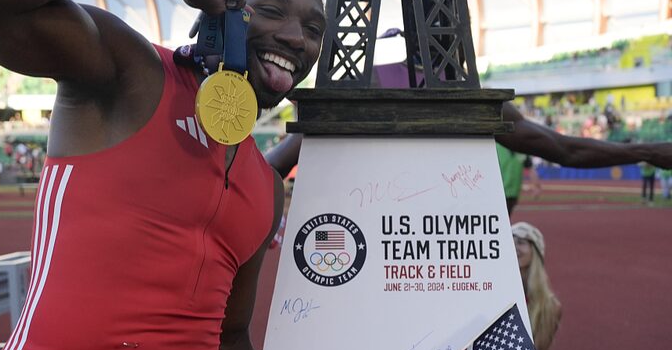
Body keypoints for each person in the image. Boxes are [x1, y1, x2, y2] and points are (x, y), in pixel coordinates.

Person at [0, 0, 325, 350]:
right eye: (273, 10)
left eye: (314, 28)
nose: (297, 37)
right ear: (224, 5)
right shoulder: (134, 74)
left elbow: (231, 339)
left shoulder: (267, 188)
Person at [265, 60, 672, 214]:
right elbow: (563, 149)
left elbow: (277, 162)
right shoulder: (466, 93)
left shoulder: (374, 77)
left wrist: (647, 150)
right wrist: (646, 150)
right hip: (438, 250)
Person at [512, 222, 561, 350]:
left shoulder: (549, 306)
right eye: (510, 241)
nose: (514, 247)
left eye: (521, 242)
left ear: (536, 251)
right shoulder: (491, 293)